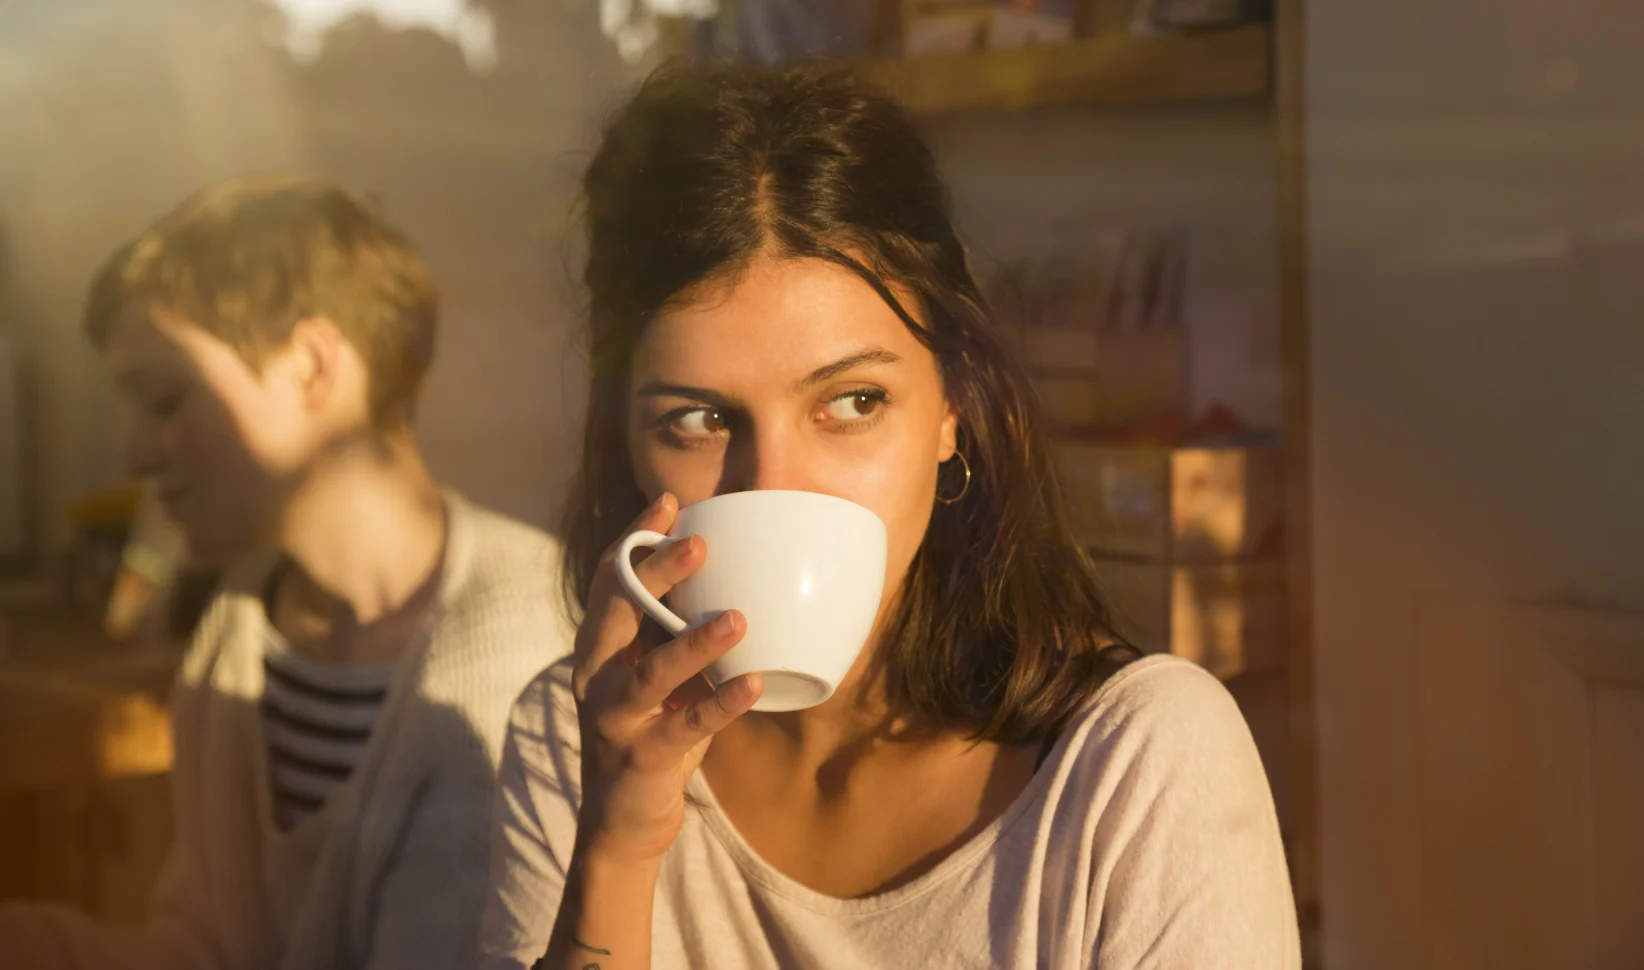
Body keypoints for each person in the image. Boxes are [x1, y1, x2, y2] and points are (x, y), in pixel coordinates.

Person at [476, 66, 1300, 969]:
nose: (776, 485)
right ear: (628, 447)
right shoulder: (577, 745)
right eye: (700, 420)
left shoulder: (1133, 768)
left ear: (952, 409)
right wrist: (618, 851)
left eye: (853, 400)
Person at [0, 175, 574, 970]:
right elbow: (209, 949)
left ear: (311, 365)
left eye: (166, 400)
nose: (134, 454)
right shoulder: (240, 625)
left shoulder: (522, 652)